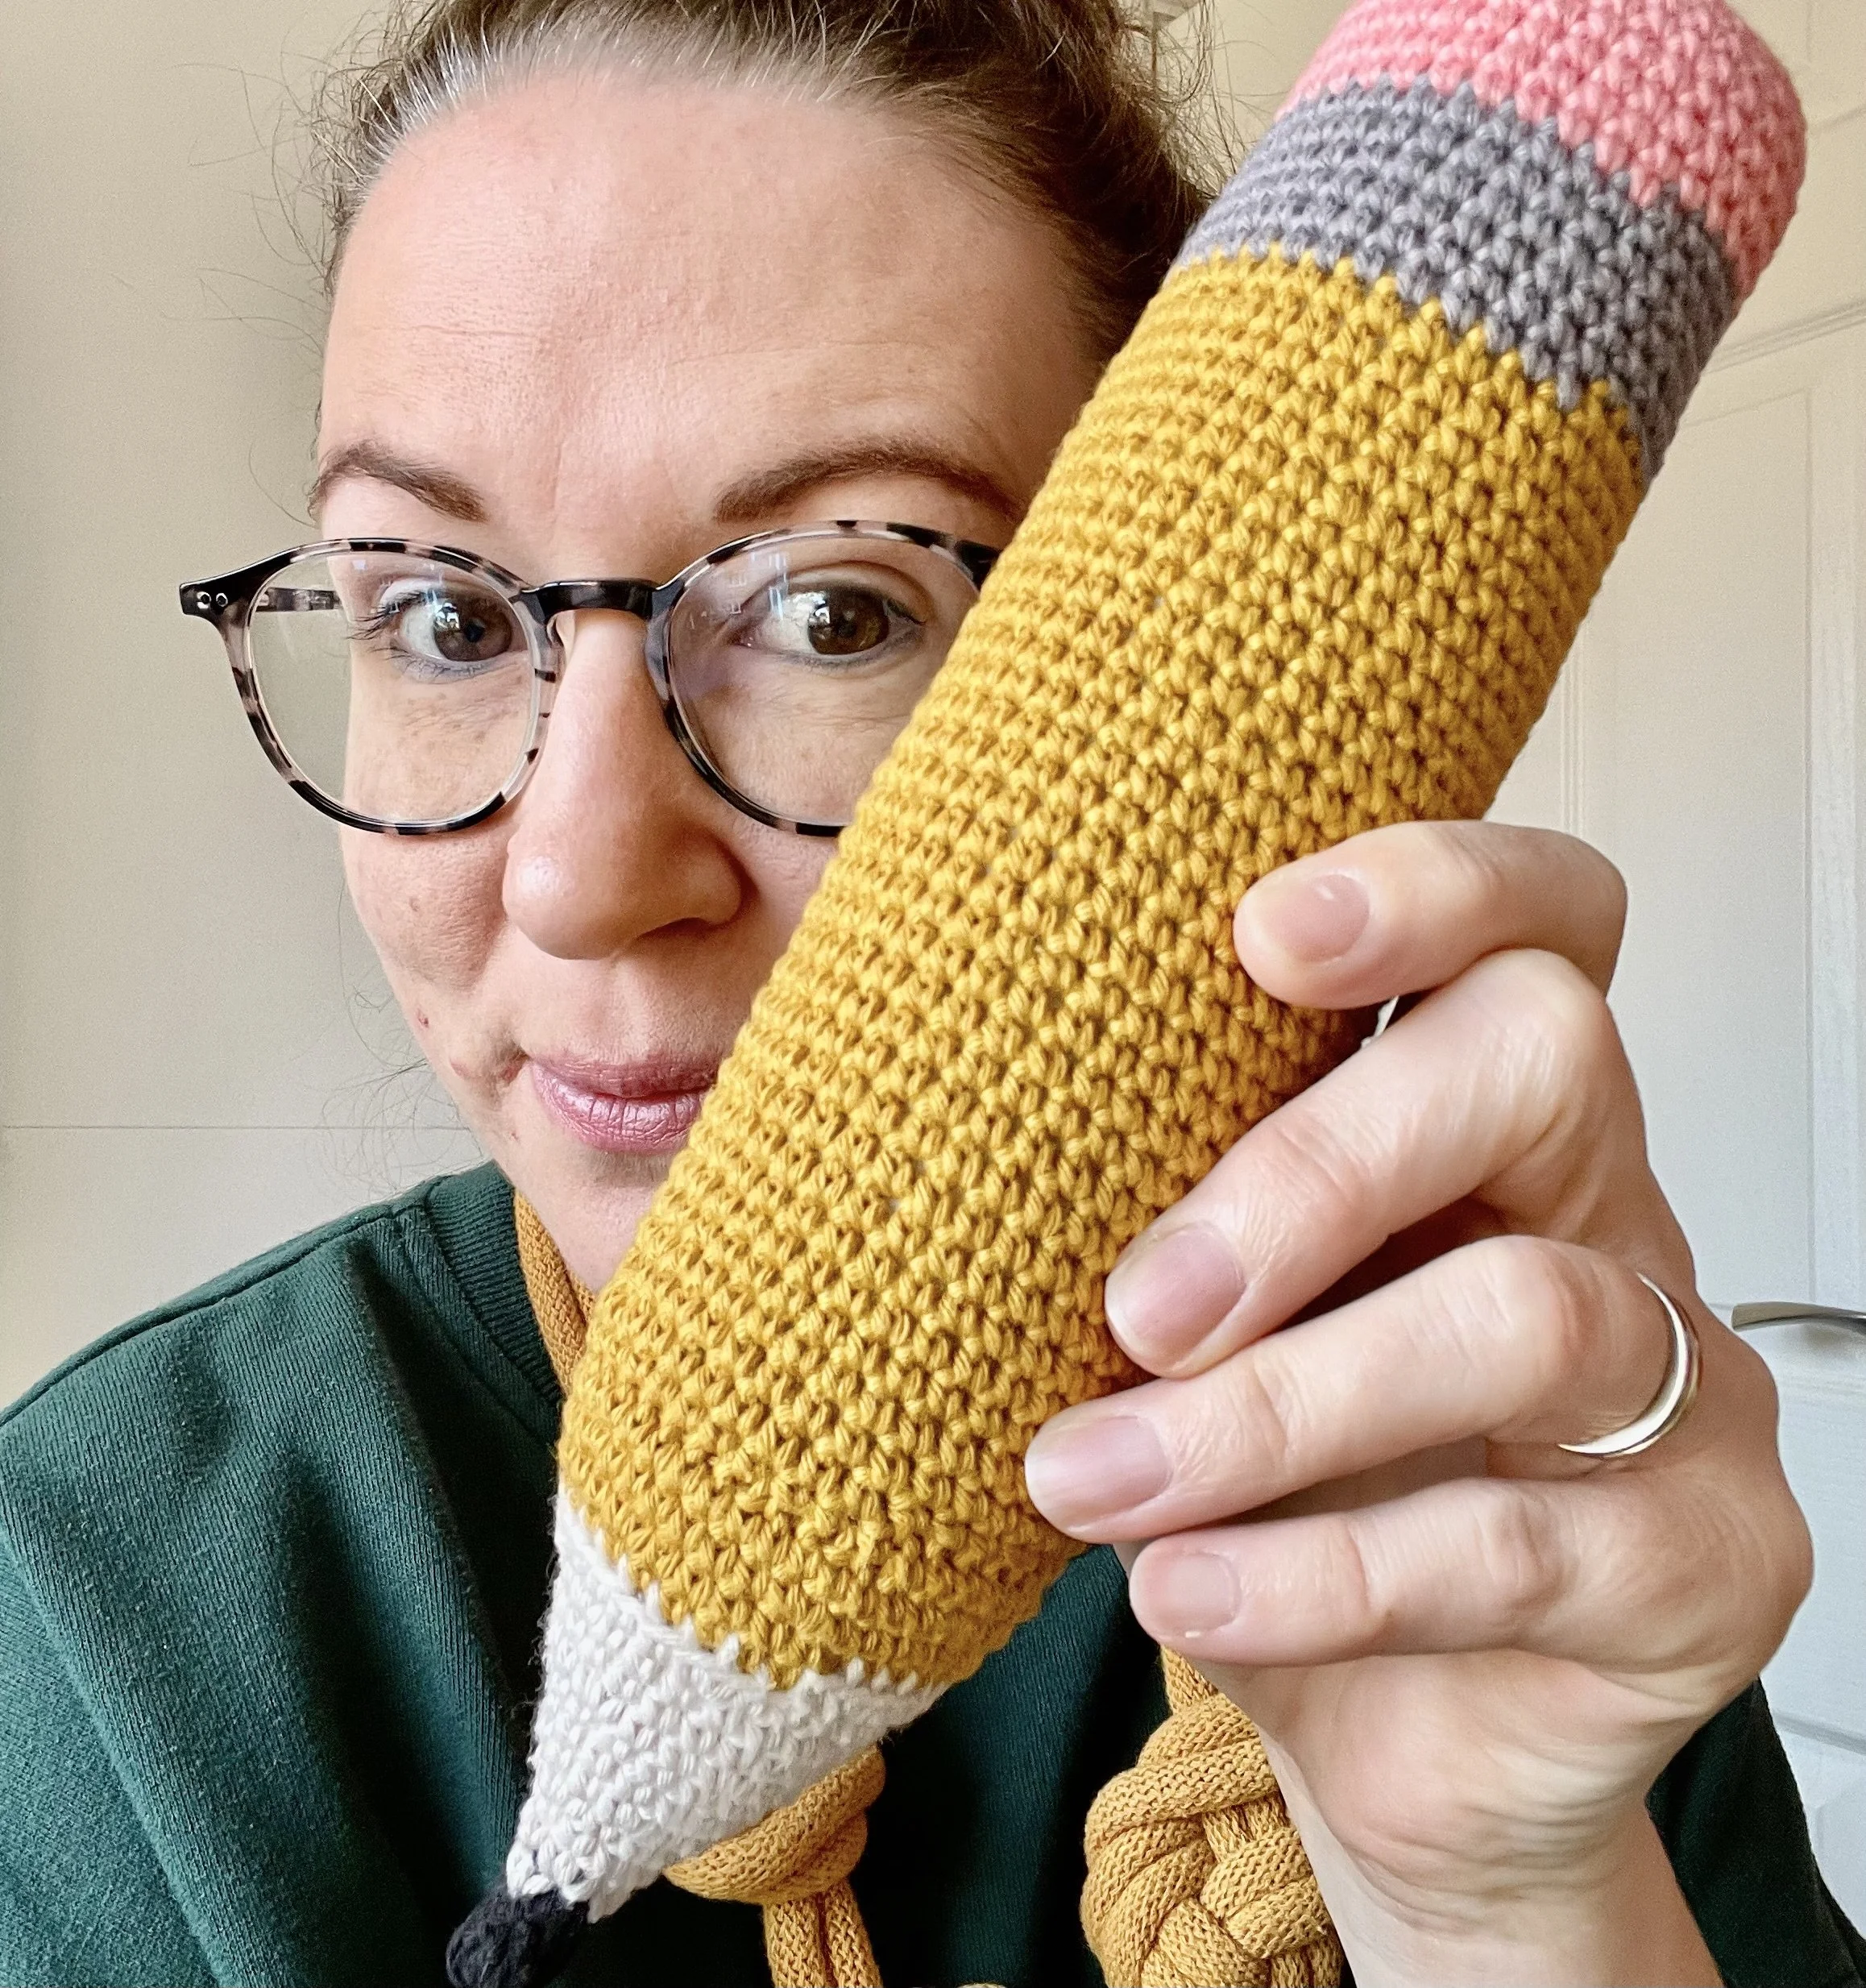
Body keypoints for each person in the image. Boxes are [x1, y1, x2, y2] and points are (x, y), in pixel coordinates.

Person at [0, 2, 1859, 1984]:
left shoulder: (1471, 1492)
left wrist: (1511, 1905)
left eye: (834, 610)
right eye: (441, 616)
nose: (576, 873)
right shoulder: (104, 1610)